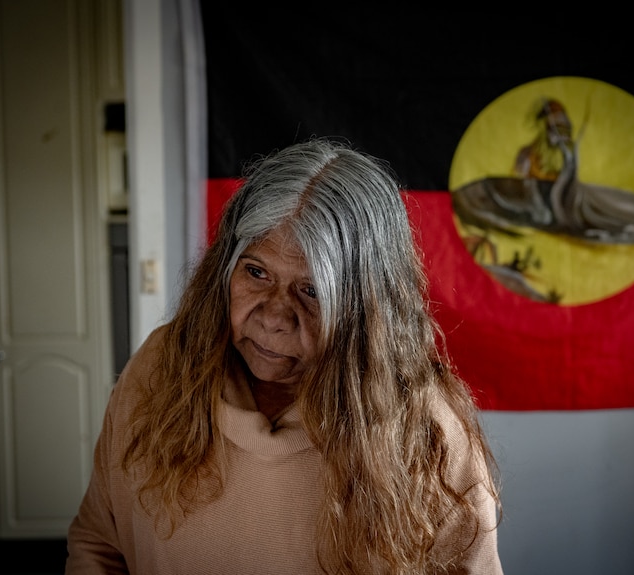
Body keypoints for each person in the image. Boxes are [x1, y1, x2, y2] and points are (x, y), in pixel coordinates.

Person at [65, 138, 504, 574]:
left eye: (311, 291)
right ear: (225, 268)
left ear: (365, 311)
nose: (274, 317)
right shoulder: (161, 367)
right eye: (256, 272)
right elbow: (99, 544)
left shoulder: (424, 433)